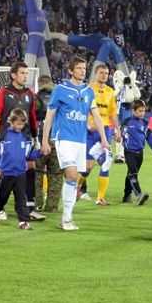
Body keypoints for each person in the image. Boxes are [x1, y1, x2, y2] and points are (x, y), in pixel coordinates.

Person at [40, 56, 109, 231]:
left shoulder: (88, 91)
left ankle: (67, 218)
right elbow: (49, 117)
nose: (82, 71)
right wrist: (44, 141)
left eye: (84, 68)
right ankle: (67, 218)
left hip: (80, 141)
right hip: (64, 139)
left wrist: (104, 139)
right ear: (70, 71)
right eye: (79, 68)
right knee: (71, 176)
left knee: (75, 178)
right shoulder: (60, 90)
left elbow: (97, 116)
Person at [0, 63, 40, 220]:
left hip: (25, 136)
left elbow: (33, 116)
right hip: (6, 136)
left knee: (29, 168)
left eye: (26, 73)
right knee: (4, 170)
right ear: (13, 75)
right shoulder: (4, 92)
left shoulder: (30, 93)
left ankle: (29, 207)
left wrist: (35, 137)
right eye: (22, 73)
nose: (25, 76)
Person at [0, 108, 42, 229]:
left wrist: (40, 153)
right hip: (6, 173)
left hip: (21, 173)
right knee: (2, 198)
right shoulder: (3, 136)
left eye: (22, 124)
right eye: (18, 123)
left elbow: (29, 156)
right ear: (11, 122)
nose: (20, 126)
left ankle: (23, 221)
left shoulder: (26, 138)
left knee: (21, 198)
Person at [81, 64, 123, 205]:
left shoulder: (111, 92)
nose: (104, 75)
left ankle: (100, 198)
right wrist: (87, 123)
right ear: (96, 74)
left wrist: (118, 130)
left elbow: (113, 113)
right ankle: (79, 186)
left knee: (106, 163)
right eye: (101, 73)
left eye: (106, 73)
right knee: (88, 165)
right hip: (90, 131)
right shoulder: (88, 89)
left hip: (105, 130)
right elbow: (81, 108)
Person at [33, 74, 63, 213]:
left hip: (39, 140)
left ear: (40, 84)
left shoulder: (36, 98)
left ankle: (37, 203)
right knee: (56, 174)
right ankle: (52, 206)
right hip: (57, 139)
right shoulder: (61, 97)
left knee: (37, 173)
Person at [120, 99, 152, 205]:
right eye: (140, 111)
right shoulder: (127, 122)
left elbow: (149, 137)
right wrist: (117, 136)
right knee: (133, 173)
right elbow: (120, 133)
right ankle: (139, 195)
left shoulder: (144, 123)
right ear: (134, 111)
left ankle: (126, 196)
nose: (142, 113)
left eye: (143, 111)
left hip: (140, 153)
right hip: (129, 152)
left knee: (131, 174)